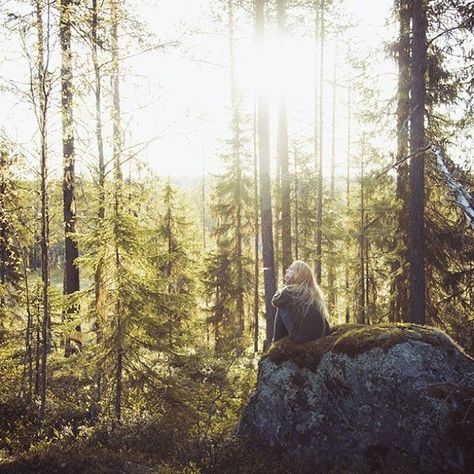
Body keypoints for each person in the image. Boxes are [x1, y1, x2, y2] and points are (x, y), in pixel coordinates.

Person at [272, 260, 330, 344]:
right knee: (284, 304)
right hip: (322, 334)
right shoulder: (312, 293)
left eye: (291, 269)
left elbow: (275, 301)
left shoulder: (290, 291)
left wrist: (287, 285)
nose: (287, 270)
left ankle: (276, 344)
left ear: (297, 275)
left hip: (303, 338)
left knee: (281, 307)